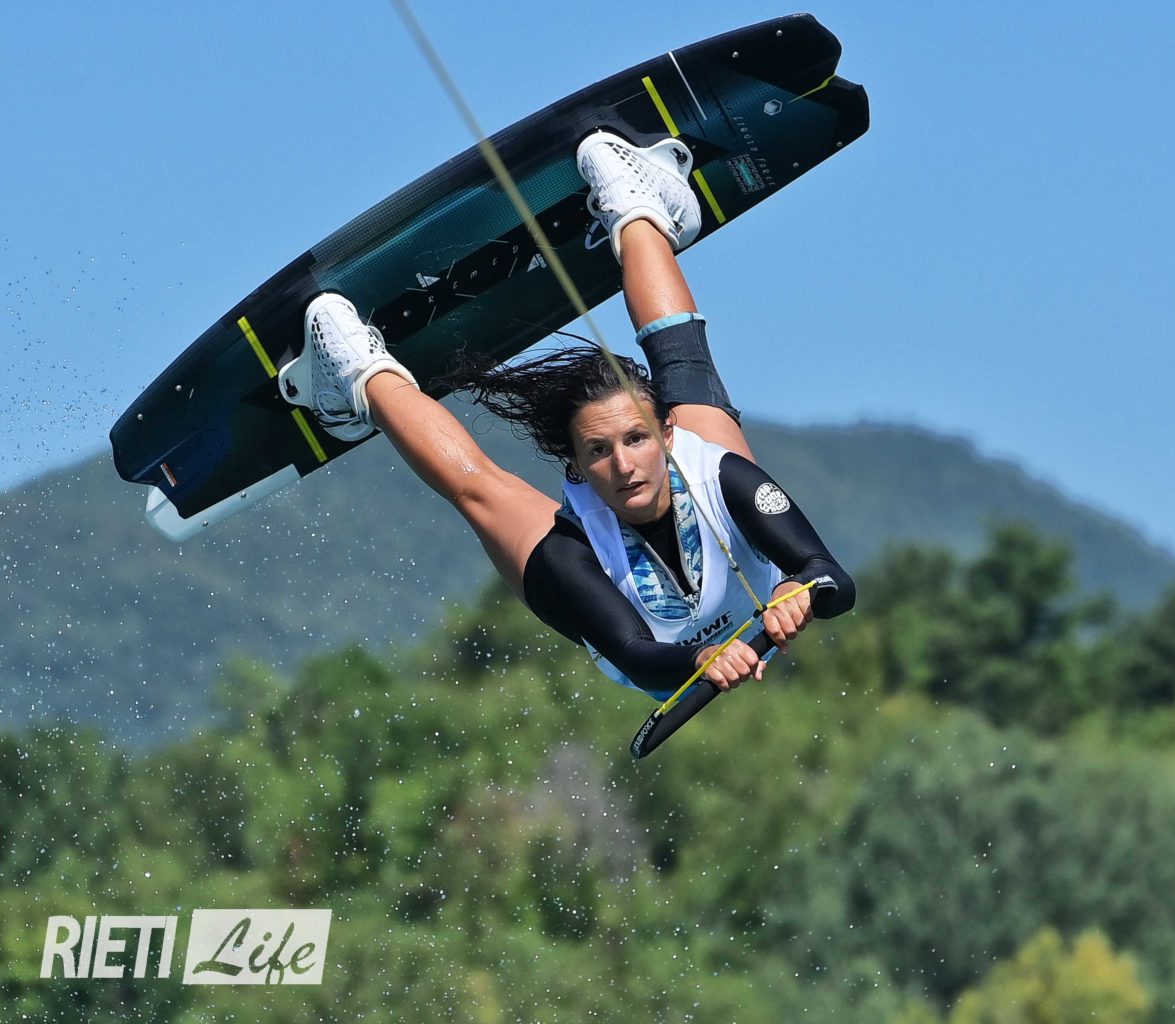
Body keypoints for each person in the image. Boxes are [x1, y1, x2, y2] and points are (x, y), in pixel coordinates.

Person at [279, 130, 855, 700]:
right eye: (599, 451)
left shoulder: (720, 476)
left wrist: (801, 591)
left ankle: (353, 367)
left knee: (682, 370)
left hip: (684, 617)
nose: (624, 466)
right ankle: (634, 206)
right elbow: (634, 649)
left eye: (636, 439)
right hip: (652, 636)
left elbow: (826, 574)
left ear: (666, 433)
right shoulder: (569, 550)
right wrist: (704, 657)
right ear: (576, 465)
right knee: (484, 490)